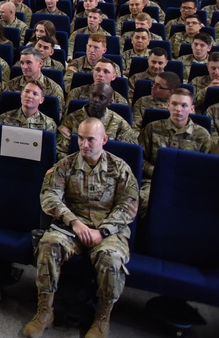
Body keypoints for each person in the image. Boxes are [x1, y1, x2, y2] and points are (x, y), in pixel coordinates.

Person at [24, 118, 138, 338]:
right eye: (81, 138)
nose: (84, 144)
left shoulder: (119, 168)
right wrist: (73, 221)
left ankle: (102, 319)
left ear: (104, 140)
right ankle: (45, 311)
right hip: (73, 228)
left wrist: (102, 231)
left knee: (111, 259)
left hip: (108, 231)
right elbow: (49, 197)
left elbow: (129, 205)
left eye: (91, 139)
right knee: (48, 245)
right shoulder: (65, 165)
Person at [138, 88, 212, 212]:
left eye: (184, 105)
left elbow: (207, 170)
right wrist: (156, 171)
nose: (178, 109)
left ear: (191, 108)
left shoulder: (202, 135)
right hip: (154, 182)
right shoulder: (152, 128)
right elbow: (140, 159)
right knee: (147, 205)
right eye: (174, 104)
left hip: (188, 185)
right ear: (168, 105)